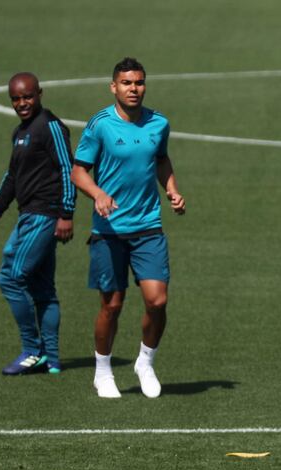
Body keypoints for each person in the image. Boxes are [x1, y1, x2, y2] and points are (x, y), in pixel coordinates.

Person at [70, 57, 185, 399]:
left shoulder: (158, 123)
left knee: (157, 300)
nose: (133, 89)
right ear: (114, 87)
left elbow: (161, 159)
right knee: (112, 305)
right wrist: (98, 194)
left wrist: (172, 190)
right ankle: (103, 372)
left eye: (138, 83)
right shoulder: (100, 125)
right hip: (108, 230)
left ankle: (145, 362)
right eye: (126, 83)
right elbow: (78, 171)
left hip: (148, 225)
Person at [0, 72, 76, 375]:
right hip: (29, 215)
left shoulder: (50, 126)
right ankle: (53, 360)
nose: (22, 103)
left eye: (27, 96)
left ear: (40, 94)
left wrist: (66, 214)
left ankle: (32, 351)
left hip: (44, 215)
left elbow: (67, 169)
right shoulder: (20, 132)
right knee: (42, 287)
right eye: (16, 99)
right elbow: (12, 177)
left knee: (11, 278)